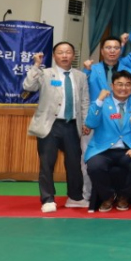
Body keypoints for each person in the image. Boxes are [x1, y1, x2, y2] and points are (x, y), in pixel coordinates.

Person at [23, 41, 90, 212]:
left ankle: (75, 197)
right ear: (54, 56)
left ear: (73, 56)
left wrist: (86, 122)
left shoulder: (80, 76)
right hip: (50, 125)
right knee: (47, 163)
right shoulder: (45, 73)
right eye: (60, 52)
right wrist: (36, 65)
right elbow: (28, 86)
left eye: (68, 52)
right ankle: (48, 199)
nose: (64, 55)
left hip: (72, 125)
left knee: (74, 163)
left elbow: (84, 101)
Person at [83, 71, 131, 213]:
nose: (123, 88)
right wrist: (99, 101)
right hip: (102, 150)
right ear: (112, 86)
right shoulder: (101, 103)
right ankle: (108, 196)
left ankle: (124, 196)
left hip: (127, 149)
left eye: (128, 84)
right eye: (119, 84)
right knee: (94, 166)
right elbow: (90, 123)